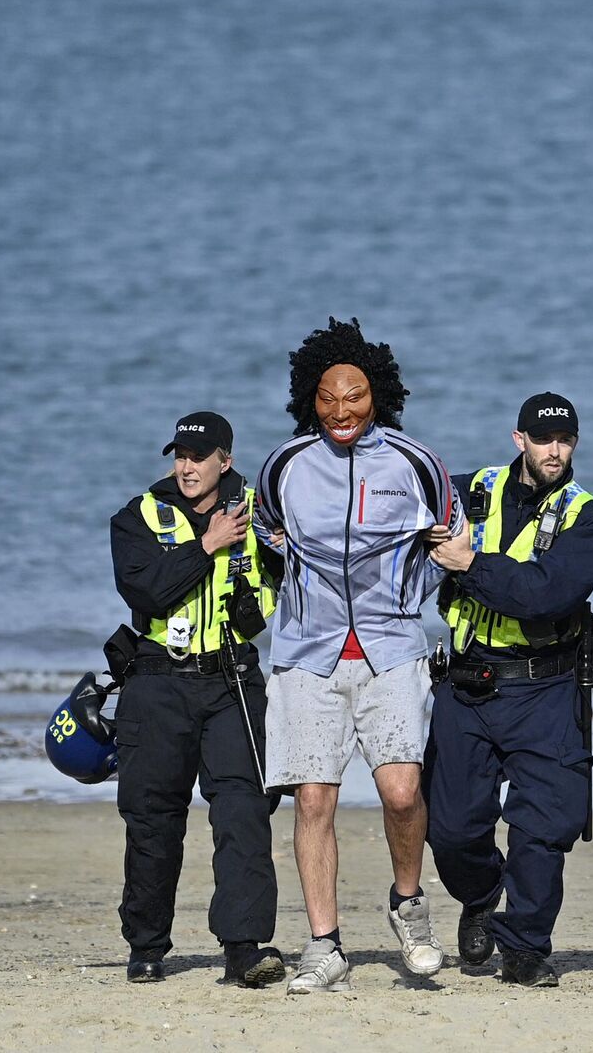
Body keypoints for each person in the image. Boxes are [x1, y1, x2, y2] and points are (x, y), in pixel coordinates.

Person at [254, 318, 460, 994]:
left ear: (380, 397)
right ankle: (325, 946)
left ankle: (409, 904)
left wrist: (410, 598)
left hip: (393, 649)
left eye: (356, 397)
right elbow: (266, 538)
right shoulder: (284, 466)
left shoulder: (416, 462)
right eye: (328, 399)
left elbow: (451, 544)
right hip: (307, 656)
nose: (342, 411)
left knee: (402, 794)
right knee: (314, 800)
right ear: (308, 400)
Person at [423, 392, 593, 988]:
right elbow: (396, 490)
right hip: (467, 685)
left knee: (542, 828)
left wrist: (467, 562)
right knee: (451, 830)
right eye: (542, 439)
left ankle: (527, 946)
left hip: (548, 689)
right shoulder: (468, 490)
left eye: (564, 440)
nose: (553, 450)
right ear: (520, 441)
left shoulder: (591, 521)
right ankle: (482, 894)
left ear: (575, 443)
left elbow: (541, 595)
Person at [107, 410, 285, 987]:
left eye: (198, 457)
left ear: (224, 461)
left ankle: (243, 948)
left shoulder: (264, 511)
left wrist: (285, 549)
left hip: (232, 679)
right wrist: (207, 545)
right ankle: (147, 946)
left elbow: (301, 581)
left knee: (244, 815)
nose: (186, 466)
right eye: (180, 456)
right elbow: (144, 588)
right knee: (153, 819)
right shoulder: (137, 517)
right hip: (156, 681)